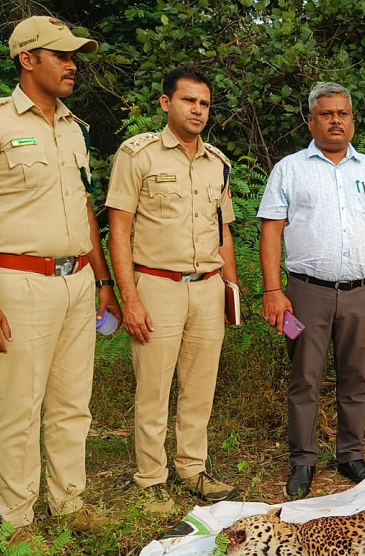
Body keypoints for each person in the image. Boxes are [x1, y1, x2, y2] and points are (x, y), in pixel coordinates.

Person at [0, 15, 119, 545]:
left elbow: (84, 208)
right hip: (18, 283)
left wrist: (103, 278)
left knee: (73, 402)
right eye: (62, 56)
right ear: (27, 59)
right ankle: (17, 520)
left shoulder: (73, 127)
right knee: (19, 405)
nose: (73, 66)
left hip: (76, 281)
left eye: (75, 57)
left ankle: (69, 503)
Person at [258, 82, 365, 498]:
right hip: (306, 295)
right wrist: (274, 290)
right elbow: (271, 231)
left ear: (353, 120)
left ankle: (351, 455)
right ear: (311, 119)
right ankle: (303, 460)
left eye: (343, 113)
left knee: (355, 380)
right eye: (326, 113)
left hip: (364, 295)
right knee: (304, 379)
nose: (336, 120)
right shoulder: (290, 168)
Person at [107, 65, 239, 513]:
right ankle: (150, 478)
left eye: (204, 103)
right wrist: (130, 298)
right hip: (156, 286)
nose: (198, 110)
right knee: (154, 387)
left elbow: (224, 233)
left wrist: (230, 290)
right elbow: (118, 231)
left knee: (200, 386)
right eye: (188, 101)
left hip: (206, 287)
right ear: (166, 103)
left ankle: (191, 468)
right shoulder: (138, 155)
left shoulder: (217, 163)